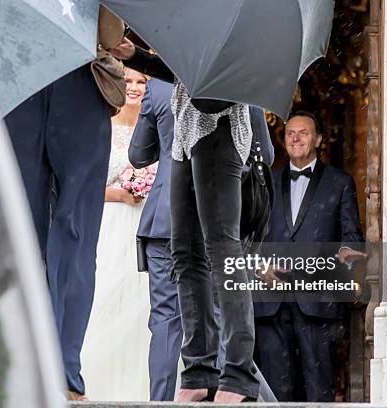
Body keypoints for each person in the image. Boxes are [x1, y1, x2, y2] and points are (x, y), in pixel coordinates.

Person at [111, 39, 269, 403]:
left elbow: (236, 74)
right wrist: (138, 58)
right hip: (185, 132)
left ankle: (239, 376)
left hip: (222, 128)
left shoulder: (236, 20)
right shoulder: (195, 19)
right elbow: (185, 69)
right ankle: (199, 371)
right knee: (185, 253)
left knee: (224, 252)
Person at [3, 7, 124, 401]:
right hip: (18, 74)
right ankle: (24, 362)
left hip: (82, 76)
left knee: (75, 230)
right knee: (20, 231)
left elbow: (112, 29)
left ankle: (65, 369)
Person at [253, 111, 365, 402]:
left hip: (317, 299)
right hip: (271, 301)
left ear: (318, 139)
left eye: (303, 133)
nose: (295, 138)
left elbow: (351, 237)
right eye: (290, 133)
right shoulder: (266, 180)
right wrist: (257, 266)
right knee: (276, 391)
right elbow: (250, 236)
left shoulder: (340, 182)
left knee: (319, 388)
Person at [81, 68, 153, 401]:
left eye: (142, 82)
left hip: (147, 224)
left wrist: (148, 189)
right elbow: (85, 184)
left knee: (145, 306)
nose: (135, 88)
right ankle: (94, 381)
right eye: (129, 82)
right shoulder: (102, 127)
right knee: (105, 298)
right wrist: (122, 194)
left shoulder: (155, 128)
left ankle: (142, 386)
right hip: (110, 221)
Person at [127, 78, 181, 401]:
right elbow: (265, 153)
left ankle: (160, 402)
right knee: (216, 315)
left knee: (164, 318)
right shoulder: (237, 78)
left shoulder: (159, 87)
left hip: (164, 221)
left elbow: (138, 154)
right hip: (212, 221)